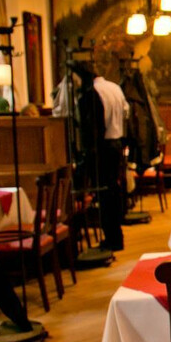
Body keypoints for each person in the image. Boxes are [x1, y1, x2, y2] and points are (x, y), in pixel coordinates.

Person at [72, 61, 129, 251]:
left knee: (104, 194)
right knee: (112, 191)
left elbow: (93, 126)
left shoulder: (92, 94)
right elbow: (126, 112)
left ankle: (112, 238)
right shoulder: (114, 88)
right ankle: (115, 235)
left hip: (102, 146)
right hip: (116, 143)